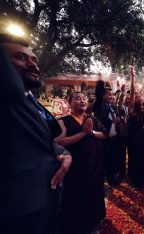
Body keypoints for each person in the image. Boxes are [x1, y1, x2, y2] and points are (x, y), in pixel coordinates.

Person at [0, 34, 72, 234]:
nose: (33, 65)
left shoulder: (29, 100)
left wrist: (63, 153)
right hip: (15, 213)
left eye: (34, 59)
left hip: (46, 203)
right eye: (20, 57)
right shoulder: (6, 99)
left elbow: (40, 140)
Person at [56, 92, 106, 234]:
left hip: (94, 168)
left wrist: (92, 133)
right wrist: (83, 133)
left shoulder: (92, 119)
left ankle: (95, 223)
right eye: (78, 98)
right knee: (75, 199)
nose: (83, 100)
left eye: (84, 99)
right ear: (69, 102)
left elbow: (104, 134)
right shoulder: (63, 121)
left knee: (95, 196)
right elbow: (58, 141)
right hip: (75, 169)